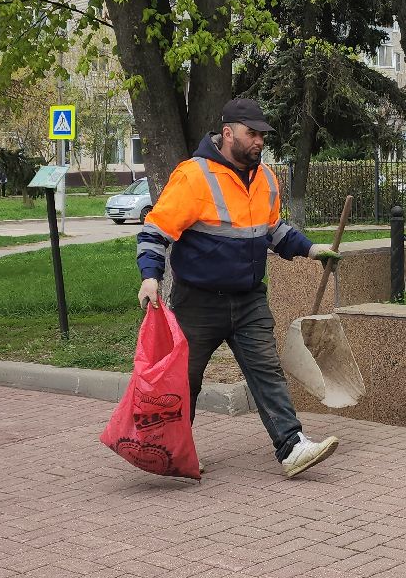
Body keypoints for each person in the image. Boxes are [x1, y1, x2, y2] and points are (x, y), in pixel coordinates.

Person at [135, 98, 343, 478]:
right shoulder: (193, 176)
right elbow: (155, 231)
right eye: (252, 133)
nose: (259, 141)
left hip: (248, 300)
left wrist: (312, 250)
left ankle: (292, 446)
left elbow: (273, 231)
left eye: (262, 135)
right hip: (197, 302)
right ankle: (172, 452)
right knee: (185, 381)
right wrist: (150, 277)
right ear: (228, 132)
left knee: (267, 372)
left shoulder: (265, 179)